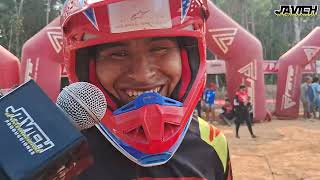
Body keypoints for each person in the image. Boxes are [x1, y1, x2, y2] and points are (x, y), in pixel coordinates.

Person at [60, 0, 232, 179]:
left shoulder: (212, 143)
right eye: (118, 53)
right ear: (88, 67)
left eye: (159, 49)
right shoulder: (62, 154)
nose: (143, 75)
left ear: (187, 58)